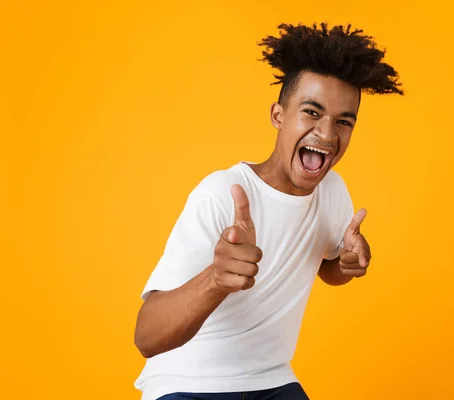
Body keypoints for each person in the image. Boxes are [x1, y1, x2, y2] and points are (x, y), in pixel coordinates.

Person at [133, 22, 403, 400]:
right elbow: (146, 337)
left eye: (344, 121)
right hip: (188, 383)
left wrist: (345, 265)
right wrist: (216, 279)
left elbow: (325, 266)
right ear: (278, 115)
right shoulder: (222, 194)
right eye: (312, 112)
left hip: (270, 380)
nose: (327, 134)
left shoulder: (332, 191)